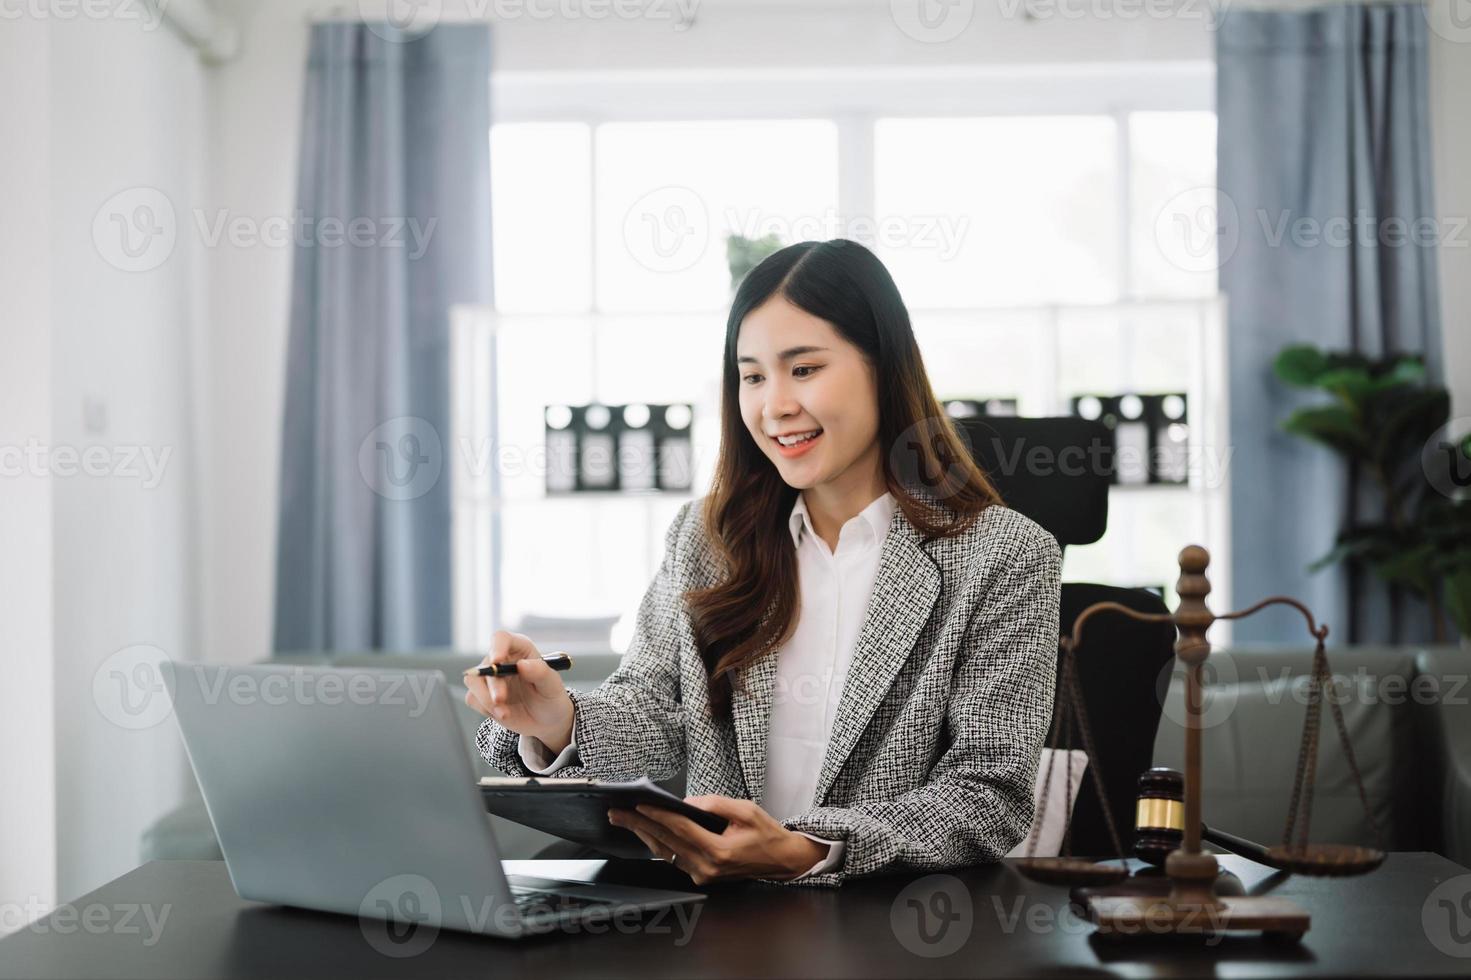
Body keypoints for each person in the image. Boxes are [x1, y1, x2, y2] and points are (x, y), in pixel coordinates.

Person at [466, 239, 1060, 887]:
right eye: (752, 375)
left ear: (883, 367)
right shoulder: (707, 536)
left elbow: (986, 793)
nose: (772, 405)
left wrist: (809, 849)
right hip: (716, 918)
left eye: (803, 369)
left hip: (888, 921)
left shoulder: (1004, 554)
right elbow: (654, 712)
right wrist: (555, 720)